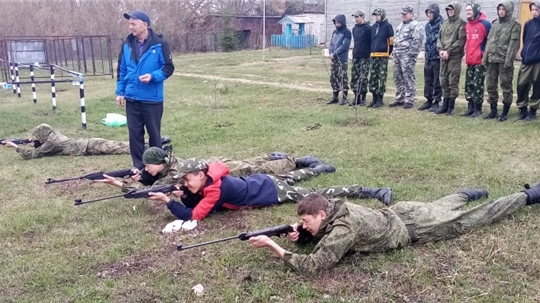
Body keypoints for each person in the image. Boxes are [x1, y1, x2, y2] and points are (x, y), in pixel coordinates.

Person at [247, 182, 540, 274]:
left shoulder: (344, 227)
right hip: (403, 211)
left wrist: (275, 246)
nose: (304, 224)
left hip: (414, 227)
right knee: (438, 206)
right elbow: (323, 233)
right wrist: (301, 236)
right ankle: (464, 194)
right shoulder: (334, 207)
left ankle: (527, 196)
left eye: (307, 220)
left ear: (321, 213)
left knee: (474, 218)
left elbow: (315, 265)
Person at [147, 158, 393, 222]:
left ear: (201, 175)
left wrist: (169, 202)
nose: (186, 183)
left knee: (322, 192)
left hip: (270, 192)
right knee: (294, 175)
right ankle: (319, 166)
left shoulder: (214, 190)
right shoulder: (210, 177)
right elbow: (195, 200)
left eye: (188, 180)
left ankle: (374, 191)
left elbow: (196, 216)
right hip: (262, 180)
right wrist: (185, 194)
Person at [97, 148, 337, 192]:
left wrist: (121, 184)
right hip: (212, 164)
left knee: (257, 168)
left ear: (160, 163)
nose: (146, 168)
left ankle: (297, 160)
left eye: (148, 165)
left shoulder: (175, 172)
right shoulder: (165, 166)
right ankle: (273, 155)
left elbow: (158, 188)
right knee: (250, 161)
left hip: (223, 171)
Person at [116, 9, 175, 170]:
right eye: (129, 24)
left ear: (145, 25)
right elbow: (121, 70)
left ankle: (157, 166)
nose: (130, 27)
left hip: (152, 99)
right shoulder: (127, 44)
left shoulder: (159, 43)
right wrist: (120, 92)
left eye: (133, 23)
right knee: (134, 134)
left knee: (154, 134)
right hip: (132, 97)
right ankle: (139, 166)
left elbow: (168, 68)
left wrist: (153, 76)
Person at [0, 123, 149, 160]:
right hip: (89, 143)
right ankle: (151, 143)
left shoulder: (52, 143)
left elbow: (32, 155)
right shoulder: (53, 135)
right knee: (119, 144)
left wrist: (15, 146)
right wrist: (33, 142)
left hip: (88, 147)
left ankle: (149, 146)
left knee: (120, 148)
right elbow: (41, 144)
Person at [482, 1, 521, 121]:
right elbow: (489, 42)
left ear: (508, 10)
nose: (501, 12)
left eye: (503, 9)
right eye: (499, 9)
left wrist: (508, 62)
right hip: (492, 59)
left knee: (506, 85)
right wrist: (485, 59)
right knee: (491, 85)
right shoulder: (495, 24)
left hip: (504, 61)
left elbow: (513, 45)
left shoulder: (514, 25)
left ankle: (505, 111)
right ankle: (493, 110)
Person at [389, 6, 423, 109]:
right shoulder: (400, 25)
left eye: (405, 14)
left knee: (408, 77)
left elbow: (417, 41)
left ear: (411, 14)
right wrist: (394, 52)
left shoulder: (416, 25)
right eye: (402, 14)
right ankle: (400, 97)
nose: (403, 16)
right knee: (398, 77)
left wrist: (411, 55)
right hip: (397, 55)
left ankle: (409, 99)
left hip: (407, 56)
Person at [435, 2, 466, 116]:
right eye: (448, 10)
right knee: (443, 80)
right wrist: (441, 50)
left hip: (454, 57)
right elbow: (439, 38)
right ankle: (444, 104)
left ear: (456, 10)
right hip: (443, 56)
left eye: (452, 10)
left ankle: (451, 106)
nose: (450, 12)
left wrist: (449, 51)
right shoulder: (445, 23)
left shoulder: (462, 24)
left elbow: (460, 41)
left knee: (452, 80)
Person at [461, 2, 491, 118]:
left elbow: (489, 40)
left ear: (476, 10)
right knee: (469, 84)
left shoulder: (485, 24)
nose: (468, 12)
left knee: (477, 84)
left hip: (480, 60)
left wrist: (483, 53)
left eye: (470, 10)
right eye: (467, 10)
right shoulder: (467, 26)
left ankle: (478, 109)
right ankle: (470, 107)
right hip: (470, 59)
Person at [516, 1, 540, 121]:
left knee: (537, 86)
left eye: (537, 10)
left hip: (538, 62)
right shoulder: (528, 24)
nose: (534, 12)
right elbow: (525, 41)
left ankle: (533, 111)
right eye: (533, 9)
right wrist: (523, 53)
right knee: (521, 85)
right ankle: (522, 109)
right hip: (526, 60)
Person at [419, 3, 444, 112]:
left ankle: (436, 101)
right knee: (427, 79)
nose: (429, 15)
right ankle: (428, 99)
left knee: (436, 79)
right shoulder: (427, 25)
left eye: (431, 12)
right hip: (428, 56)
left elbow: (442, 40)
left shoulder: (442, 24)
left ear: (436, 12)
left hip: (437, 56)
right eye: (428, 13)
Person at [367, 8, 394, 108]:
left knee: (381, 77)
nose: (376, 17)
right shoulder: (373, 27)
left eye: (378, 15)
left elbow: (391, 41)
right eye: (375, 15)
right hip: (373, 55)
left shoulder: (388, 26)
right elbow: (371, 40)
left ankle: (380, 98)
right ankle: (374, 98)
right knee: (373, 77)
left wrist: (388, 52)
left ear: (382, 15)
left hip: (383, 56)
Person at [326, 14, 352, 105]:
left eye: (338, 22)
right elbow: (331, 43)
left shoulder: (347, 32)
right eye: (335, 23)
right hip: (334, 59)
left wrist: (335, 53)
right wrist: (330, 52)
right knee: (334, 77)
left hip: (342, 59)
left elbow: (344, 46)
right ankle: (335, 96)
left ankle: (344, 97)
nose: (336, 24)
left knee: (342, 77)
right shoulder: (334, 32)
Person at [350, 10, 371, 106]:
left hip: (365, 56)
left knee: (363, 77)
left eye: (357, 17)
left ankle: (363, 97)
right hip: (356, 55)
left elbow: (370, 42)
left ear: (363, 17)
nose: (356, 19)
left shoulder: (368, 28)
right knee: (355, 77)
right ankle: (356, 96)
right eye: (355, 17)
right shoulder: (354, 29)